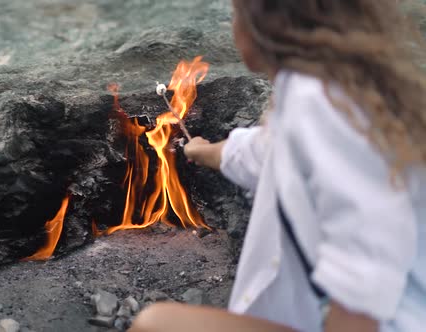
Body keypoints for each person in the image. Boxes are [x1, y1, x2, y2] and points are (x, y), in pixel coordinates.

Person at [129, 0, 426, 331]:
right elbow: (263, 152)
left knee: (155, 324)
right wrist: (203, 151)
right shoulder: (329, 89)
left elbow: (367, 266)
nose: (232, 26)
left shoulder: (321, 104)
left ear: (260, 26)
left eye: (236, 14)